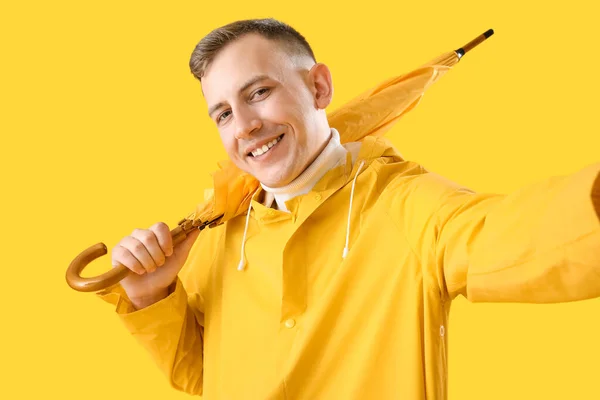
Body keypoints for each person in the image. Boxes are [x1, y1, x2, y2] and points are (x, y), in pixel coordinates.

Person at [98, 18, 600, 399]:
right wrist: (151, 295)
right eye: (224, 112)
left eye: (260, 92)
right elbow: (203, 374)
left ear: (318, 87)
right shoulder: (221, 231)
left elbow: (506, 239)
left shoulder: (404, 204)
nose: (245, 125)